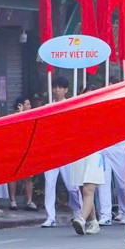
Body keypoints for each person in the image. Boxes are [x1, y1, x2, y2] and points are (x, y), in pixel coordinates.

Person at [42, 77, 82, 227]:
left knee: (72, 186)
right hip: (51, 152)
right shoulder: (47, 107)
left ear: (66, 90)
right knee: (49, 184)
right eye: (54, 87)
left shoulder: (71, 105)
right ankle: (50, 217)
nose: (56, 90)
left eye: (59, 87)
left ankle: (78, 212)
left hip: (67, 152)